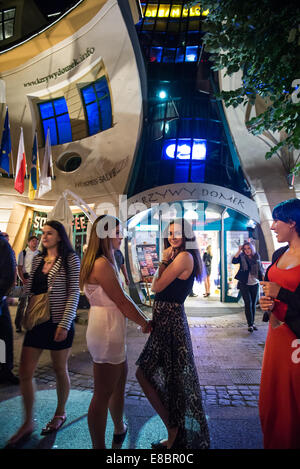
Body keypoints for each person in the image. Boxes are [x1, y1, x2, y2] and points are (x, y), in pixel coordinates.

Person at [136, 218, 210, 450]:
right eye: (170, 233)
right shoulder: (180, 256)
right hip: (166, 321)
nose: (173, 236)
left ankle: (174, 432)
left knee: (148, 374)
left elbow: (156, 287)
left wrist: (162, 261)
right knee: (166, 378)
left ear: (186, 234)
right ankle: (173, 434)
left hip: (171, 323)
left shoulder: (183, 257)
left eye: (177, 232)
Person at [80, 215, 151, 449]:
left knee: (119, 383)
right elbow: (121, 300)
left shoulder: (107, 260)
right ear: (105, 234)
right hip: (107, 329)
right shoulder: (101, 263)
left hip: (112, 327)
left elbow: (122, 298)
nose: (121, 236)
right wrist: (144, 322)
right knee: (102, 393)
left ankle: (119, 427)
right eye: (117, 232)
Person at [7, 220, 80, 447]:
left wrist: (65, 324)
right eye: (42, 233)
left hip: (59, 321)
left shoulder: (70, 260)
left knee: (60, 369)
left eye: (49, 233)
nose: (44, 236)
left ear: (60, 236)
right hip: (37, 321)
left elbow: (73, 293)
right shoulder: (38, 259)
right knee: (26, 371)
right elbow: (30, 291)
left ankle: (60, 412)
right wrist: (11, 295)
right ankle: (27, 422)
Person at [259, 198, 300, 449]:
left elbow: (283, 291)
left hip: (295, 338)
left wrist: (281, 293)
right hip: (275, 335)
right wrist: (267, 303)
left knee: (293, 399)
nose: (273, 226)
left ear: (293, 223)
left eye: (277, 221)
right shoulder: (279, 253)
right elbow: (270, 289)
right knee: (272, 397)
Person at [0, 231, 19, 385]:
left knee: (3, 337)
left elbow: (9, 275)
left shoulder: (3, 245)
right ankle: (4, 369)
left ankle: (4, 369)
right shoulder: (3, 245)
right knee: (3, 336)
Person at [232, 241, 264, 332]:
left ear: (252, 248)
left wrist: (263, 279)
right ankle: (250, 324)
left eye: (248, 248)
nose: (247, 250)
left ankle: (253, 323)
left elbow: (260, 268)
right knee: (248, 303)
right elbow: (234, 261)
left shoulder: (256, 256)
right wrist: (239, 250)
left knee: (253, 304)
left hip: (255, 283)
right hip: (244, 283)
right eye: (245, 249)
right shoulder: (242, 257)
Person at [15, 235, 40, 333]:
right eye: (33, 241)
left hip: (36, 281)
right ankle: (18, 324)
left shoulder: (39, 254)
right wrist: (22, 279)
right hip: (26, 279)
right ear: (28, 242)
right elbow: (19, 268)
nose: (35, 243)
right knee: (22, 303)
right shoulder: (23, 253)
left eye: (37, 241)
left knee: (33, 304)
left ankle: (30, 325)